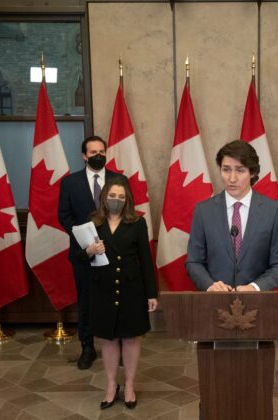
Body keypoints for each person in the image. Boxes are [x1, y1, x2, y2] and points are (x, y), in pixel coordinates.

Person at [83, 176, 158, 410]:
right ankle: (110, 385)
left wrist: (151, 293)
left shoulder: (136, 222)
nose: (116, 200)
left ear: (127, 200)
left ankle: (130, 385)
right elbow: (76, 256)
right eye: (112, 196)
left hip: (131, 288)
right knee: (108, 339)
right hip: (103, 289)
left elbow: (146, 259)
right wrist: (89, 250)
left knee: (131, 338)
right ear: (104, 197)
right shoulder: (92, 222)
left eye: (121, 197)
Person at [186, 140, 278, 291]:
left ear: (252, 172)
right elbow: (193, 261)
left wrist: (255, 287)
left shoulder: (273, 211)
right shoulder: (204, 211)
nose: (232, 178)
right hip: (214, 303)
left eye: (240, 170)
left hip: (259, 304)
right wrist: (209, 285)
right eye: (226, 170)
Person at [58, 135, 124, 370]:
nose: (98, 155)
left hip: (115, 252)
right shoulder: (70, 183)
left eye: (102, 151)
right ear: (84, 156)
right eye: (93, 152)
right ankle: (87, 347)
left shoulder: (119, 179)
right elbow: (63, 215)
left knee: (116, 300)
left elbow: (127, 211)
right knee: (86, 301)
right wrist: (82, 238)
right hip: (83, 253)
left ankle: (119, 346)